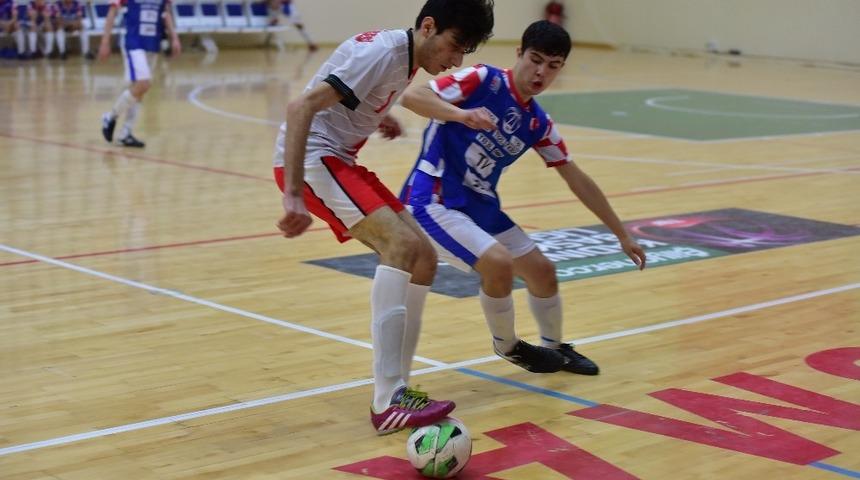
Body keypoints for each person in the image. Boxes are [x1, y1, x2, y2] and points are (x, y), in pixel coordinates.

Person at [272, 0, 494, 435]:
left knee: (424, 259)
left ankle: (400, 386)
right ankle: (387, 397)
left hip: (340, 158)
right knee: (402, 246)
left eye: (465, 52)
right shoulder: (384, 53)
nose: (456, 61)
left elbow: (355, 91)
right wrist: (294, 195)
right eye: (454, 46)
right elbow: (301, 108)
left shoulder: (405, 55)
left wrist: (380, 115)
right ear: (429, 27)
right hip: (315, 159)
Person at [399, 20, 647, 375]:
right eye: (535, 59)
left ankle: (556, 349)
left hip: (480, 205)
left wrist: (622, 233)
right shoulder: (483, 80)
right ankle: (509, 346)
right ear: (519, 53)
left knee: (543, 272)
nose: (540, 72)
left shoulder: (538, 122)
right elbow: (414, 96)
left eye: (553, 66)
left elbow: (576, 178)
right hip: (433, 197)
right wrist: (463, 115)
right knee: (497, 262)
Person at [98, 0, 181, 148]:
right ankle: (110, 117)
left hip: (153, 43)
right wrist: (105, 42)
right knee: (143, 83)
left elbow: (166, 13)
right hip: (134, 41)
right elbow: (112, 12)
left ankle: (126, 133)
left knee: (139, 90)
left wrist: (174, 38)